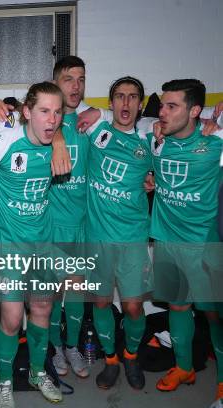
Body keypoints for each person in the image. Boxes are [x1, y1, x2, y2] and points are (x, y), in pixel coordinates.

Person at [0, 82, 65, 407]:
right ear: (27, 112)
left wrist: (59, 140)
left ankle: (36, 371)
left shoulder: (59, 142)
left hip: (42, 246)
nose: (52, 120)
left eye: (58, 113)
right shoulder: (3, 141)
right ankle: (3, 381)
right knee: (12, 318)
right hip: (8, 248)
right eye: (44, 111)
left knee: (43, 310)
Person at [148, 79, 223, 406]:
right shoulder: (157, 140)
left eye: (171, 106)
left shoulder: (217, 142)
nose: (162, 112)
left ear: (195, 110)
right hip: (166, 240)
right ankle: (184, 367)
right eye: (162, 105)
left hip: (205, 246)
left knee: (214, 317)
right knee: (178, 307)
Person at [77, 76, 154, 390]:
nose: (126, 103)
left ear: (140, 103)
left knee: (134, 306)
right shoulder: (98, 130)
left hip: (133, 238)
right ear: (111, 103)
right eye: (120, 97)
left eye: (133, 97)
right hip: (97, 238)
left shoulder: (151, 139)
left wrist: (154, 180)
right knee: (100, 303)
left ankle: (131, 355)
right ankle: (110, 360)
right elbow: (62, 100)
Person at [48, 56, 90, 378]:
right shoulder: (43, 123)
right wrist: (58, 133)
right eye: (68, 79)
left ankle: (72, 345)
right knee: (51, 294)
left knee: (76, 291)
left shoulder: (92, 123)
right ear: (55, 83)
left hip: (81, 225)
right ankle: (55, 347)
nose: (75, 86)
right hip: (51, 225)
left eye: (81, 79)